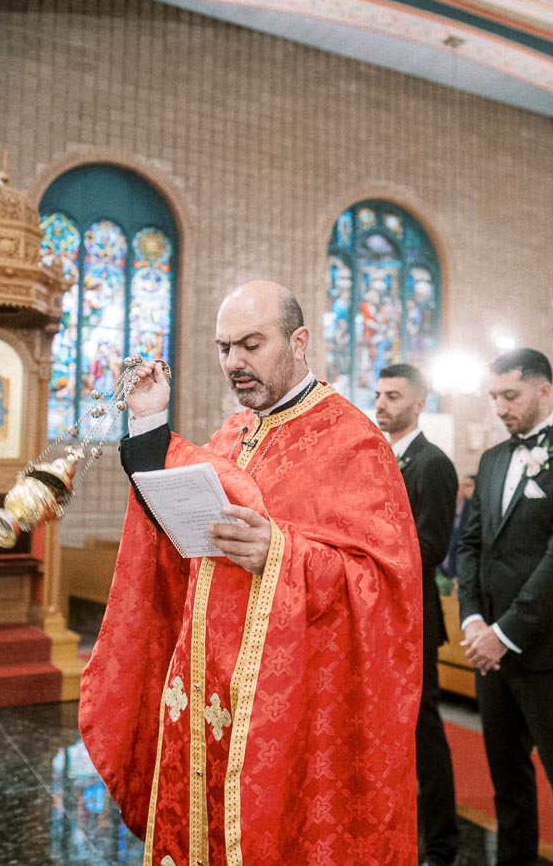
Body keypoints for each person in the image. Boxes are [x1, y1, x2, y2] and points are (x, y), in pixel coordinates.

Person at [79, 281, 422, 864]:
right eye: (224, 347)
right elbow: (174, 535)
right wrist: (149, 421)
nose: (233, 362)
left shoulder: (354, 441)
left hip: (288, 709)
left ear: (299, 341)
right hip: (206, 686)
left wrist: (280, 553)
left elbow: (386, 588)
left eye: (251, 345)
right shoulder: (232, 433)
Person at [456, 348, 553, 866]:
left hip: (547, 653)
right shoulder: (491, 460)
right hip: (488, 653)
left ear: (543, 391)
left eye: (510, 396)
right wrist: (473, 619)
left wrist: (505, 632)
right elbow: (471, 545)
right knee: (507, 789)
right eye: (494, 397)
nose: (501, 408)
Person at [374, 362, 461, 866]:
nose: (382, 403)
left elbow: (432, 545)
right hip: (374, 612)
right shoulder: (375, 457)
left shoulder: (432, 464)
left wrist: (369, 552)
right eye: (379, 394)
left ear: (419, 402)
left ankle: (443, 845)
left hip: (413, 614)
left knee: (423, 730)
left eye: (393, 396)